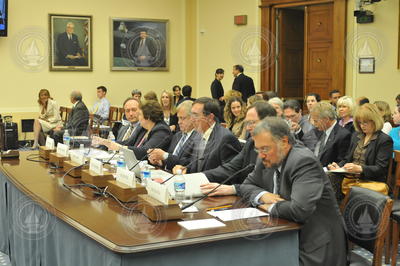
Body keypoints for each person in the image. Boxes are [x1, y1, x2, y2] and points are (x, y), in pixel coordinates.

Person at [239, 118, 347, 266]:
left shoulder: (303, 161)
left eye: (264, 149)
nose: (261, 155)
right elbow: (246, 185)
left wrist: (268, 206)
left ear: (284, 142)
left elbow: (299, 210)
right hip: (285, 231)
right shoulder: (268, 157)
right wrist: (263, 196)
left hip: (314, 243)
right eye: (258, 149)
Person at [201, 101, 277, 187]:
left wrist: (233, 189)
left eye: (252, 123)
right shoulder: (251, 143)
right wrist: (198, 177)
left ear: (268, 122)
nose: (248, 128)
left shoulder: (281, 149)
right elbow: (231, 168)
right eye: (247, 123)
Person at [328, 103, 393, 200]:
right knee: (328, 176)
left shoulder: (384, 140)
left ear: (374, 121)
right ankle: (335, 211)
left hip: (370, 181)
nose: (362, 126)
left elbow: (381, 169)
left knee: (331, 182)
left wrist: (360, 169)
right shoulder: (356, 136)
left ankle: (338, 211)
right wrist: (338, 166)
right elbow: (347, 159)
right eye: (360, 123)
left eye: (365, 122)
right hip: (351, 178)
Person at [173, 97, 241, 174]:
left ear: (210, 117)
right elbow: (198, 166)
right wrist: (186, 169)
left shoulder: (226, 138)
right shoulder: (198, 135)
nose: (192, 119)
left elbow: (230, 171)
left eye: (195, 115)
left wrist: (202, 176)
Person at [105, 100, 171, 159]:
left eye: (140, 114)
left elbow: (145, 151)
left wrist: (120, 148)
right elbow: (128, 142)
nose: (138, 118)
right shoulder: (143, 128)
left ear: (147, 117)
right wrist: (107, 142)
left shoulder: (161, 130)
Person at [148, 101, 201, 170]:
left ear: (193, 118)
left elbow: (189, 163)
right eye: (178, 118)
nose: (179, 122)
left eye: (182, 118)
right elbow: (171, 158)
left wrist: (165, 155)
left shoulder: (199, 138)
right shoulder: (177, 135)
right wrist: (160, 162)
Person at [309, 102, 351, 167]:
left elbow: (342, 162)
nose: (314, 124)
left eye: (316, 121)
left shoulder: (343, 135)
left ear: (326, 119)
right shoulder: (319, 131)